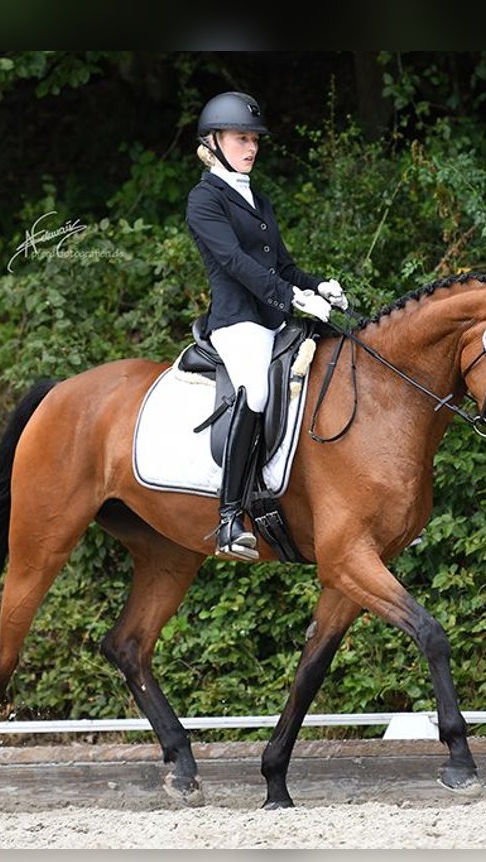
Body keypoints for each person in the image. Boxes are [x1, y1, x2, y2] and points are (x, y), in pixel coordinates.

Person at [186, 90, 347, 561]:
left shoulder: (258, 196)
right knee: (254, 391)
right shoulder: (204, 199)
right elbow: (234, 262)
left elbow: (283, 265)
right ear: (214, 141)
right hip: (238, 323)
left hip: (275, 318)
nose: (251, 147)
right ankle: (229, 516)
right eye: (241, 139)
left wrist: (318, 287)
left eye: (254, 139)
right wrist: (289, 297)